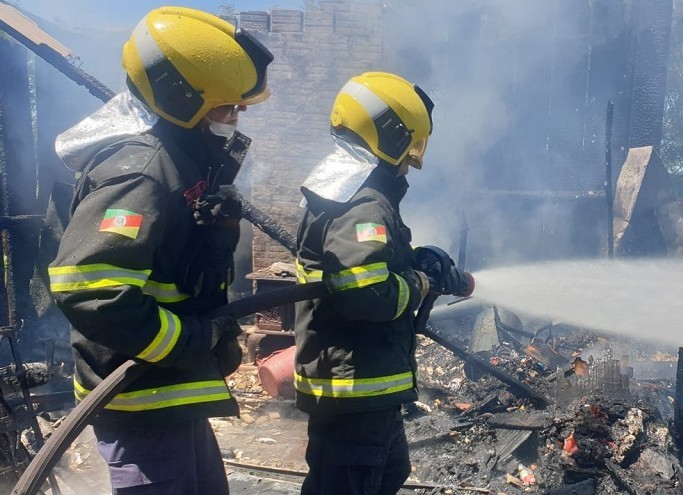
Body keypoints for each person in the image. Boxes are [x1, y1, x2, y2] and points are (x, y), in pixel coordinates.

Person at [47, 7, 273, 494]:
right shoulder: (142, 172)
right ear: (182, 98)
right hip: (143, 397)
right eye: (227, 107)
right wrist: (191, 339)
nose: (237, 117)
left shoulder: (178, 163)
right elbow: (89, 287)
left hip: (171, 393)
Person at [292, 71, 472, 495]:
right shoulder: (363, 202)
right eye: (409, 145)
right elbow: (368, 293)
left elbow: (360, 268)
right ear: (389, 135)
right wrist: (422, 282)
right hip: (355, 387)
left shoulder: (348, 190)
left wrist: (412, 258)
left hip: (366, 386)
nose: (411, 159)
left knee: (388, 473)